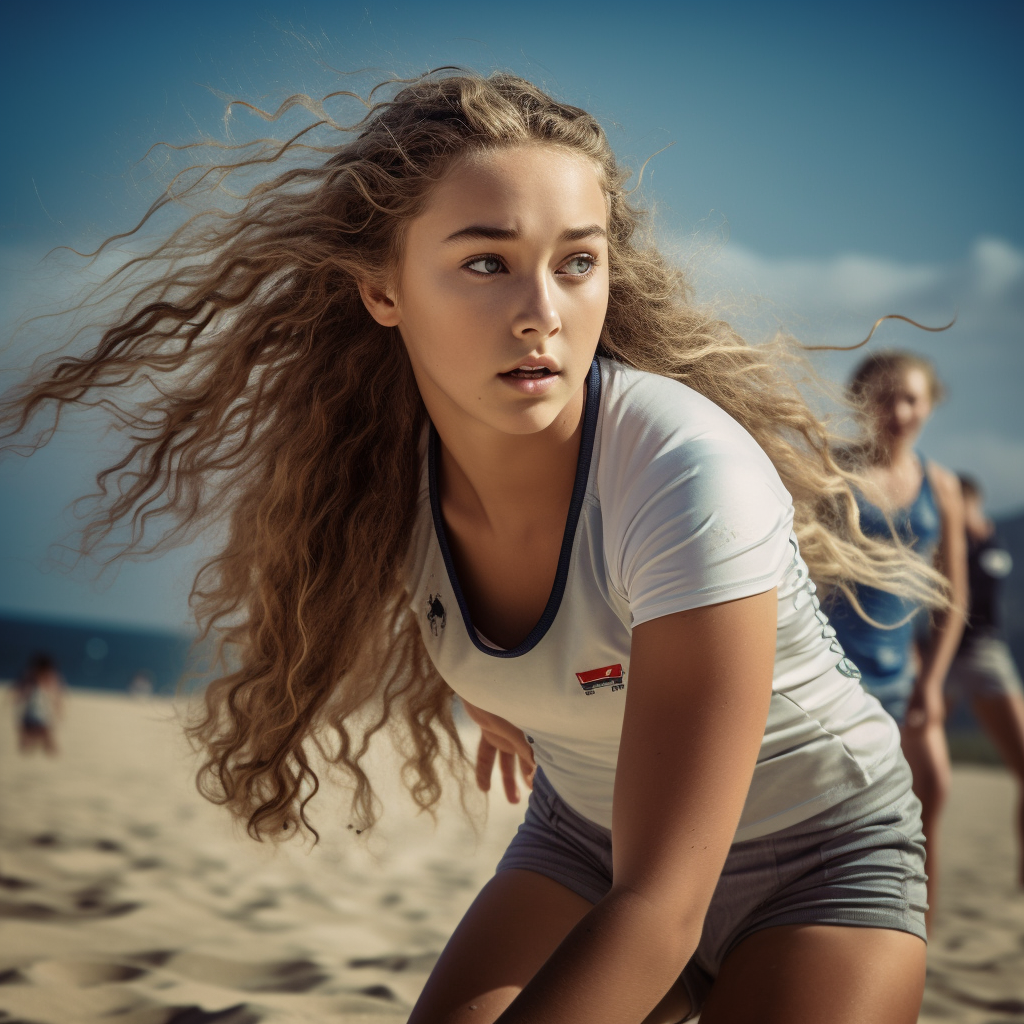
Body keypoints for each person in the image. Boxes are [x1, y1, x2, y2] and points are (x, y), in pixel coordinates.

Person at [1, 72, 951, 1023]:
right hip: (580, 844)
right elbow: (520, 627)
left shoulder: (683, 471)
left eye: (576, 262)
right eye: (487, 264)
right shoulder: (374, 479)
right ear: (381, 288)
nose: (542, 309)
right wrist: (509, 691)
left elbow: (662, 908)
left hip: (821, 864)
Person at [825, 351, 967, 931]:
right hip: (833, 668)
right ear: (862, 403)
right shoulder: (831, 470)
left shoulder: (941, 484)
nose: (898, 410)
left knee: (931, 791)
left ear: (930, 402)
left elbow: (952, 595)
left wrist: (932, 683)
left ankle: (914, 925)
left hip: (904, 672)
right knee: (836, 808)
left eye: (910, 397)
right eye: (884, 396)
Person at [946, 474, 1024, 885]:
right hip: (941, 655)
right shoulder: (942, 541)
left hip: (986, 651)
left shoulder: (990, 537)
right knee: (913, 771)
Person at [13, 653, 65, 755]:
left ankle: (36, 745)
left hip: (38, 713)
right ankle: (35, 746)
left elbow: (57, 696)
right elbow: (57, 696)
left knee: (43, 742)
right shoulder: (31, 676)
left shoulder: (44, 677)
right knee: (31, 743)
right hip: (34, 713)